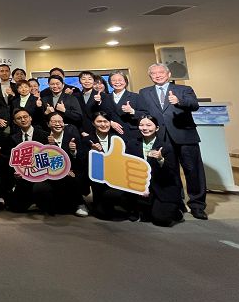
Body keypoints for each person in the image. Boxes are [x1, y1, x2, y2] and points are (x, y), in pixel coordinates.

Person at [136, 63, 208, 220]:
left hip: (185, 136)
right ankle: (177, 203)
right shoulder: (144, 92)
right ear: (150, 76)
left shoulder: (183, 89)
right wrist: (134, 112)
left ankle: (197, 205)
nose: (157, 75)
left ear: (168, 74)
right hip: (161, 137)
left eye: (161, 72)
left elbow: (194, 105)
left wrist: (179, 101)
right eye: (153, 73)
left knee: (193, 171)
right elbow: (143, 112)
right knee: (170, 172)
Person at [33, 112, 88, 217]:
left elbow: (81, 160)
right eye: (54, 121)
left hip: (71, 173)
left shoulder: (72, 136)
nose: (58, 124)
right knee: (39, 188)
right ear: (48, 124)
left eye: (60, 121)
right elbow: (40, 162)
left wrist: (73, 152)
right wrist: (62, 169)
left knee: (74, 178)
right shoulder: (43, 138)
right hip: (49, 174)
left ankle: (79, 203)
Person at [88, 112, 138, 220]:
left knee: (115, 196)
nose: (103, 124)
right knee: (102, 214)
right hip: (98, 180)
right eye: (99, 121)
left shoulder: (117, 139)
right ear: (93, 123)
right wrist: (92, 152)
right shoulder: (88, 140)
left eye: (105, 121)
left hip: (116, 178)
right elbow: (82, 161)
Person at [136, 115, 184, 226]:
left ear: (157, 128)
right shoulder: (132, 144)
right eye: (141, 125)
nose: (145, 128)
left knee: (160, 219)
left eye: (149, 125)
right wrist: (141, 187)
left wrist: (160, 159)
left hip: (163, 187)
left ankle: (177, 211)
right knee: (143, 216)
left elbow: (171, 173)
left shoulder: (166, 147)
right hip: (142, 188)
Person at [8, 108, 47, 212]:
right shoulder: (13, 138)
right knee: (15, 208)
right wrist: (15, 172)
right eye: (19, 118)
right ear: (15, 122)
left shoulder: (44, 135)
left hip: (41, 176)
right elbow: (11, 160)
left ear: (30, 118)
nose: (23, 120)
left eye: (25, 117)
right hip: (23, 177)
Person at [93, 71, 139, 140]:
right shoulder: (105, 98)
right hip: (112, 134)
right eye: (114, 80)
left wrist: (132, 111)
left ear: (125, 82)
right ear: (110, 83)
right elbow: (100, 114)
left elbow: (145, 114)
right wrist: (110, 122)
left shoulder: (136, 96)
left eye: (120, 80)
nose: (117, 82)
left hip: (131, 134)